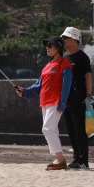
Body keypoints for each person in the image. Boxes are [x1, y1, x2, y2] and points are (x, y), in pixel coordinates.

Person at [16, 36, 73, 171]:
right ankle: (58, 159)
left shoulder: (64, 64)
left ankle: (60, 158)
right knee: (52, 130)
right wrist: (24, 92)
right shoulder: (47, 66)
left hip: (55, 101)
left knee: (47, 129)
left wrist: (62, 103)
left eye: (50, 46)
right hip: (45, 102)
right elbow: (38, 85)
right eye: (46, 46)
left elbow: (67, 86)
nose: (47, 48)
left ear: (58, 48)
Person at [60, 27, 93, 169]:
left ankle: (83, 160)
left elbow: (88, 76)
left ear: (74, 39)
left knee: (80, 131)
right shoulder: (64, 57)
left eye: (66, 38)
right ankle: (75, 158)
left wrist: (88, 96)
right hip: (66, 100)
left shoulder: (82, 57)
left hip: (79, 99)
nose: (64, 40)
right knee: (71, 130)